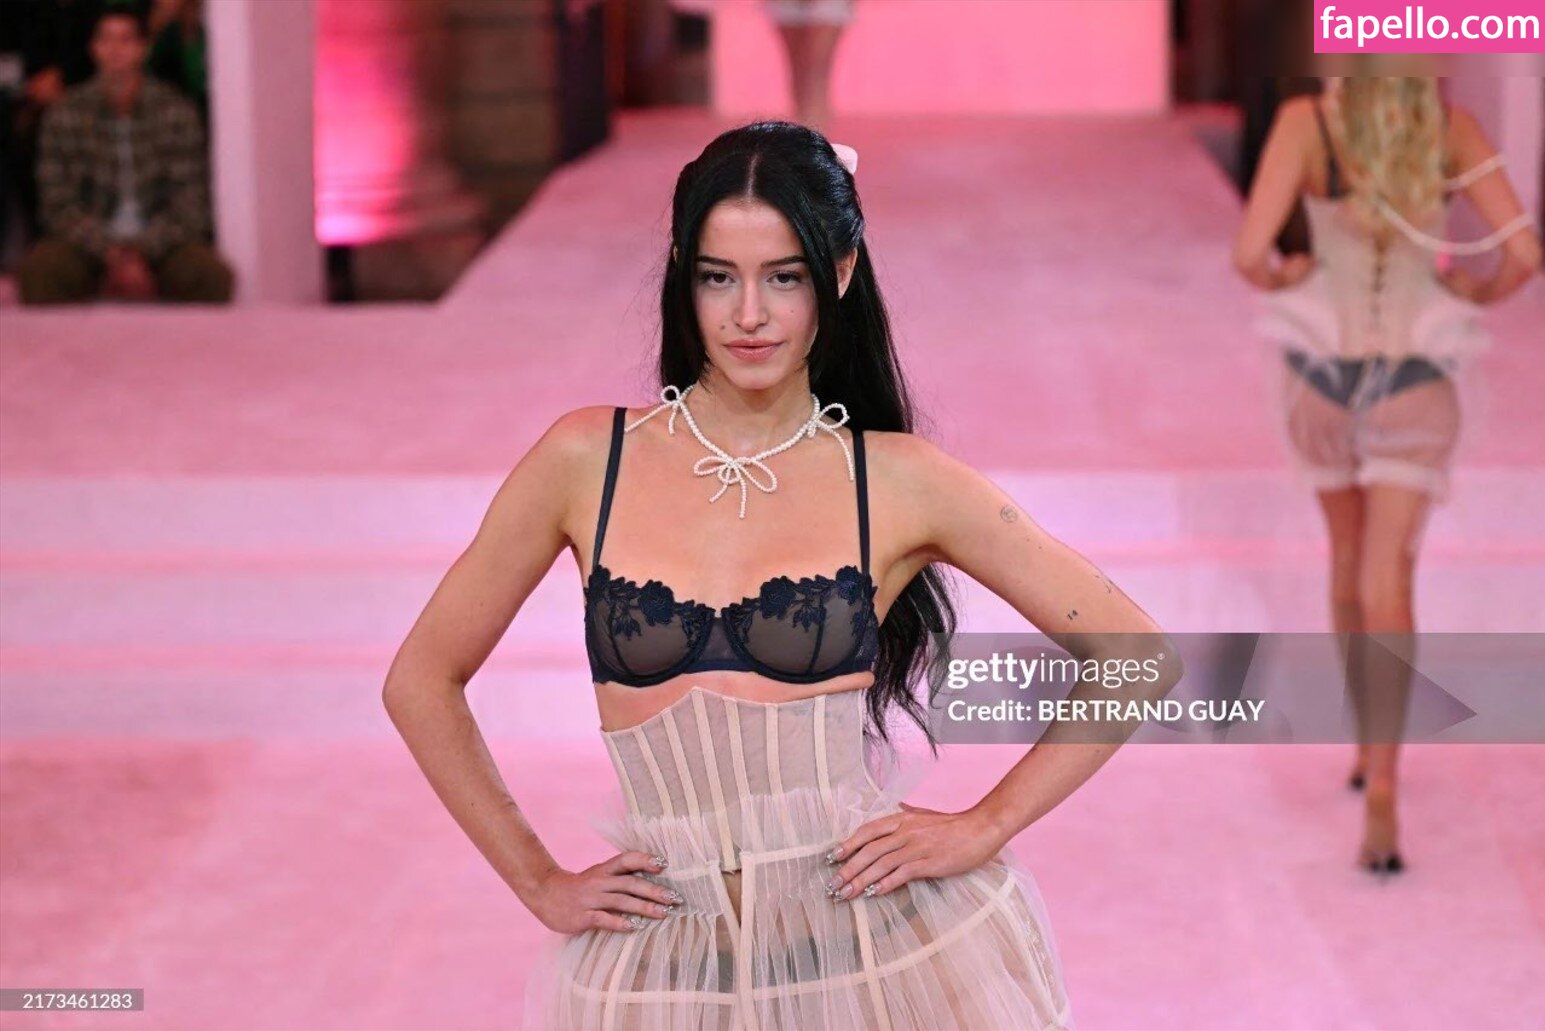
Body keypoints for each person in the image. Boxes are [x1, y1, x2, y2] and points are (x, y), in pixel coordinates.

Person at [384, 120, 1180, 1029]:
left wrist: (985, 824)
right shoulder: (584, 460)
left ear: (838, 275)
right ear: (682, 275)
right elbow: (420, 679)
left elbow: (1136, 654)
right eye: (717, 277)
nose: (748, 315)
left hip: (868, 962)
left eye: (784, 277)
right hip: (662, 972)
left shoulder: (896, 479)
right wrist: (535, 879)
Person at [1232, 76, 1540, 876]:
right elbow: (1524, 254)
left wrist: (1287, 274)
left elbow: (1248, 255)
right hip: (1416, 372)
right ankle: (1384, 787)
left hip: (1320, 366)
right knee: (1388, 577)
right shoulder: (1450, 126)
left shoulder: (1306, 122)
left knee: (1345, 559)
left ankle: (1367, 746)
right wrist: (1474, 288)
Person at [16, 2, 232, 304]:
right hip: (87, 243)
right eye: (106, 40)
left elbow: (189, 203)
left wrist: (142, 251)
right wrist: (109, 252)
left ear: (143, 48)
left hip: (160, 243)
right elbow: (57, 204)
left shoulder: (174, 111)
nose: (115, 50)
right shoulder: (66, 113)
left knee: (210, 276)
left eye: (125, 40)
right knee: (40, 272)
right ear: (93, 48)